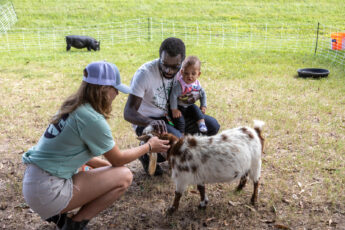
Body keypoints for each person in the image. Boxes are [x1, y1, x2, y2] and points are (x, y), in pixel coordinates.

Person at [22, 61, 170, 230]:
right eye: (115, 89)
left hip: (34, 183)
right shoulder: (91, 118)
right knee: (124, 176)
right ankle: (75, 225)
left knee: (101, 169)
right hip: (47, 191)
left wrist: (106, 169)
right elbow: (119, 160)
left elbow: (77, 154)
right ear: (103, 89)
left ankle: (60, 217)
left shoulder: (74, 106)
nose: (117, 94)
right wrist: (149, 146)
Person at [124, 37, 220, 176]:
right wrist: (150, 122)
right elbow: (128, 112)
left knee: (212, 125)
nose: (169, 70)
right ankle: (146, 152)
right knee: (178, 142)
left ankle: (178, 151)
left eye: (175, 66)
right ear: (159, 58)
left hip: (172, 116)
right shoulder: (145, 74)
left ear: (182, 62)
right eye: (165, 64)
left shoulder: (183, 71)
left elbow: (192, 90)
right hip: (148, 121)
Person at [170, 55, 207, 135]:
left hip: (190, 105)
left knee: (197, 110)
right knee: (180, 121)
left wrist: (203, 105)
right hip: (179, 107)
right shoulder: (180, 85)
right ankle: (181, 135)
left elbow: (203, 94)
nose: (189, 76)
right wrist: (174, 109)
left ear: (199, 74)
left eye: (193, 74)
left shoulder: (197, 85)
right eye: (186, 73)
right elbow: (173, 96)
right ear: (182, 72)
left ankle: (201, 124)